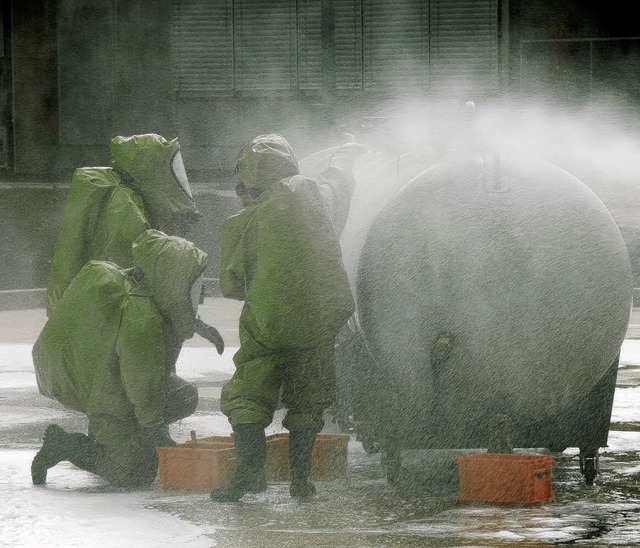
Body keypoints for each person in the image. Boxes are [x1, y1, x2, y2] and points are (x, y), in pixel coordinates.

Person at [210, 133, 355, 502]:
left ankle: (248, 475)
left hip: (266, 325)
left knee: (248, 397)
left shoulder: (241, 223)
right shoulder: (315, 200)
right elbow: (336, 201)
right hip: (317, 325)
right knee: (307, 401)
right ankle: (301, 481)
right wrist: (343, 164)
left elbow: (231, 285)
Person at [31, 229, 208, 489]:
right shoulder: (140, 318)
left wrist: (193, 322)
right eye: (190, 286)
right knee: (136, 473)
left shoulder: (124, 279)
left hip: (93, 373)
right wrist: (156, 431)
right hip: (102, 391)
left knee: (183, 395)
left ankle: (115, 437)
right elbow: (143, 382)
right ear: (171, 280)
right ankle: (65, 445)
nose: (197, 295)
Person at [46, 132, 223, 353]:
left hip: (89, 315)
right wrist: (190, 320)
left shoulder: (121, 195)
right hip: (102, 323)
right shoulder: (125, 208)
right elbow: (140, 282)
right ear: (152, 169)